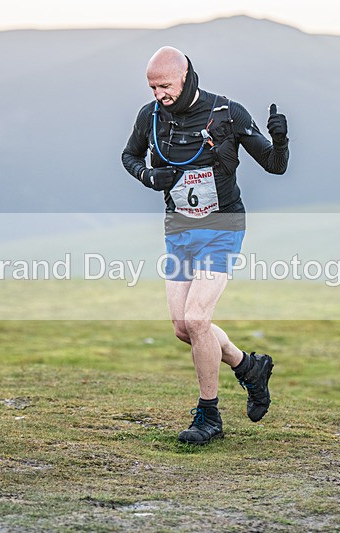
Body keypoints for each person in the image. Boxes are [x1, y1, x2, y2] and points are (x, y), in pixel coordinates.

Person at [121, 46, 289, 444]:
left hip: (222, 226)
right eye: (152, 87)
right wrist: (147, 176)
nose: (159, 94)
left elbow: (275, 165)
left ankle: (208, 417)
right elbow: (129, 155)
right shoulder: (151, 117)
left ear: (186, 77)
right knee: (183, 328)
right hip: (179, 230)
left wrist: (280, 141)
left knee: (198, 320)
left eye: (165, 86)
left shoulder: (227, 113)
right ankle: (249, 366)